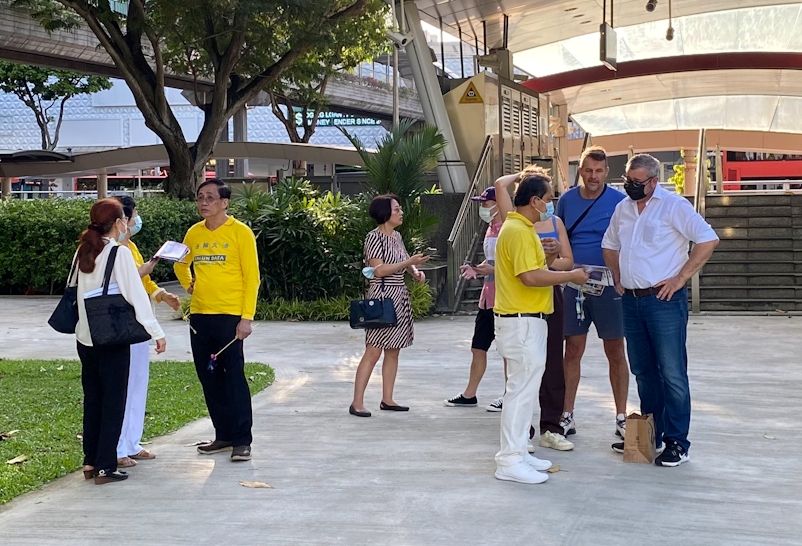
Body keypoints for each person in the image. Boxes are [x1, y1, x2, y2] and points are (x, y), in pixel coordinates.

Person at [602, 153, 718, 467]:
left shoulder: (673, 206)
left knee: (672, 373)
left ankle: (677, 442)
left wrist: (680, 278)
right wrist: (617, 275)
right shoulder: (623, 208)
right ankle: (651, 435)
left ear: (654, 181)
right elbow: (609, 245)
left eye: (637, 181)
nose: (630, 186)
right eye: (627, 180)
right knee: (643, 371)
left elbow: (708, 240)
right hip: (631, 300)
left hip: (664, 301)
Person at [492, 172, 588, 484]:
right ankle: (509, 459)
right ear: (534, 201)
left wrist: (552, 261)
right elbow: (530, 277)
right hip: (521, 321)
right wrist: (570, 275)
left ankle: (519, 451)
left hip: (528, 320)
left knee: (525, 390)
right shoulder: (518, 231)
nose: (550, 205)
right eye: (547, 200)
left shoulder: (521, 228)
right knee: (520, 393)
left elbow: (536, 270)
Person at [74, 198, 166, 485]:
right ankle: (105, 466)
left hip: (85, 336)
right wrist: (156, 331)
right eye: (125, 219)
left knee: (94, 399)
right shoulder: (119, 253)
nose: (128, 223)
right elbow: (135, 295)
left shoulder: (84, 250)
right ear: (117, 223)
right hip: (111, 337)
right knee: (114, 401)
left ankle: (90, 461)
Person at [174, 179, 260, 462]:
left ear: (225, 202)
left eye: (210, 197)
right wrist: (188, 284)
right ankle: (223, 434)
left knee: (233, 377)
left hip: (230, 316)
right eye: (200, 197)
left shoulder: (240, 232)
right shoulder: (194, 233)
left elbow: (252, 278)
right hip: (200, 315)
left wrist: (246, 318)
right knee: (208, 377)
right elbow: (181, 262)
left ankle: (242, 440)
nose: (204, 202)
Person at [556, 145, 629, 440]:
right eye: (588, 170)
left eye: (599, 171)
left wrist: (623, 278)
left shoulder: (619, 201)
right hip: (574, 283)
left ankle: (622, 415)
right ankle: (567, 413)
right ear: (580, 172)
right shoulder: (567, 200)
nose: (593, 176)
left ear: (607, 172)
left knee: (615, 350)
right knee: (572, 349)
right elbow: (559, 235)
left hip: (610, 285)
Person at [114, 196, 181, 469]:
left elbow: (144, 281)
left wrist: (161, 294)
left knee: (138, 382)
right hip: (125, 322)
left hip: (140, 323)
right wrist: (144, 269)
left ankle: (131, 442)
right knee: (124, 384)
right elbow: (127, 281)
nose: (136, 221)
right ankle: (118, 446)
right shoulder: (113, 250)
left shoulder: (131, 246)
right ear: (122, 220)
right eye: (134, 216)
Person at [349, 194, 429, 417]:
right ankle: (357, 402)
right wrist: (408, 262)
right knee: (373, 350)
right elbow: (379, 270)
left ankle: (388, 398)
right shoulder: (374, 237)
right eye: (396, 209)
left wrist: (415, 272)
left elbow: (404, 261)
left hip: (399, 295)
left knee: (393, 350)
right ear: (385, 213)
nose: (401, 213)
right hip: (383, 296)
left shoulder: (396, 236)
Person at [443, 186, 505, 412]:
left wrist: (485, 270)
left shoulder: (510, 228)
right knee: (478, 347)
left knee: (508, 352)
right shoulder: (490, 228)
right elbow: (491, 261)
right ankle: (469, 394)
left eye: (486, 203)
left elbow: (511, 266)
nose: (483, 208)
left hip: (505, 299)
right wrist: (476, 269)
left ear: (499, 203)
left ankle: (509, 395)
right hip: (487, 298)